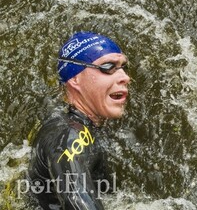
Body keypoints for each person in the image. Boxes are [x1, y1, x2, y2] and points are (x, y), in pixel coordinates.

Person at [28, 31, 130, 209]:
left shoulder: (80, 125)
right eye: (108, 67)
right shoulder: (69, 135)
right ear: (74, 78)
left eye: (123, 67)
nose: (125, 77)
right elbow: (77, 202)